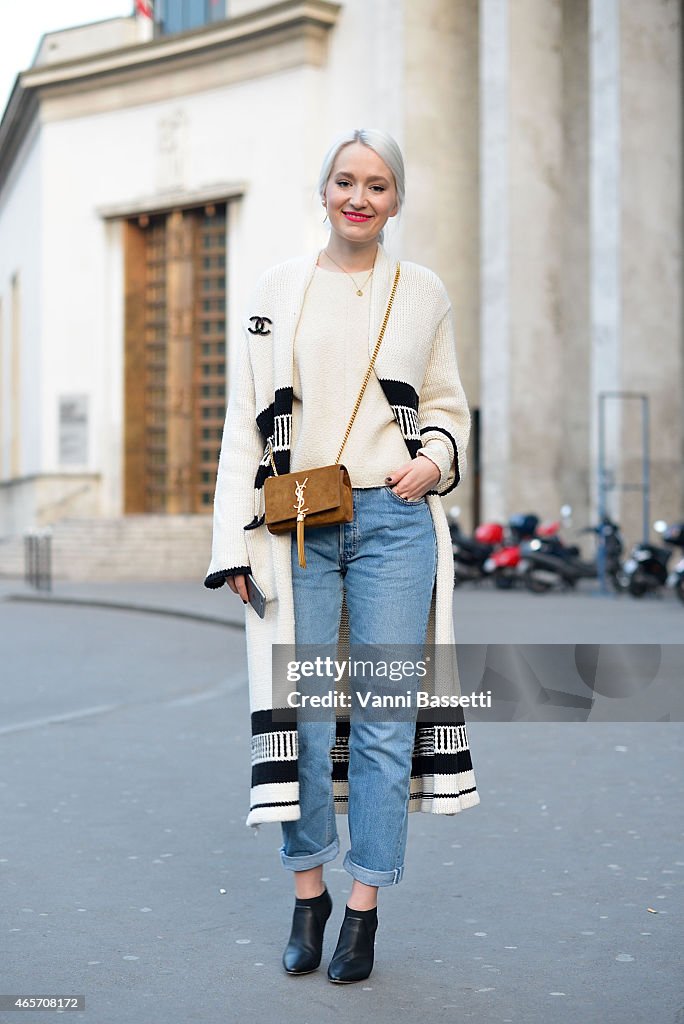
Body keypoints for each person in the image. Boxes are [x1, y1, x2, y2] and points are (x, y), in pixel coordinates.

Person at [204, 127, 480, 984]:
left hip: (394, 521)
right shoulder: (276, 291)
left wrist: (433, 459)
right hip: (296, 529)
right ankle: (308, 893)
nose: (360, 198)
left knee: (387, 718)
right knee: (304, 716)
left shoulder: (420, 291)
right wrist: (233, 541)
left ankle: (363, 909)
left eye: (379, 185)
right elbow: (245, 420)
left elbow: (447, 405)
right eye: (346, 181)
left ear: (397, 200)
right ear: (322, 191)